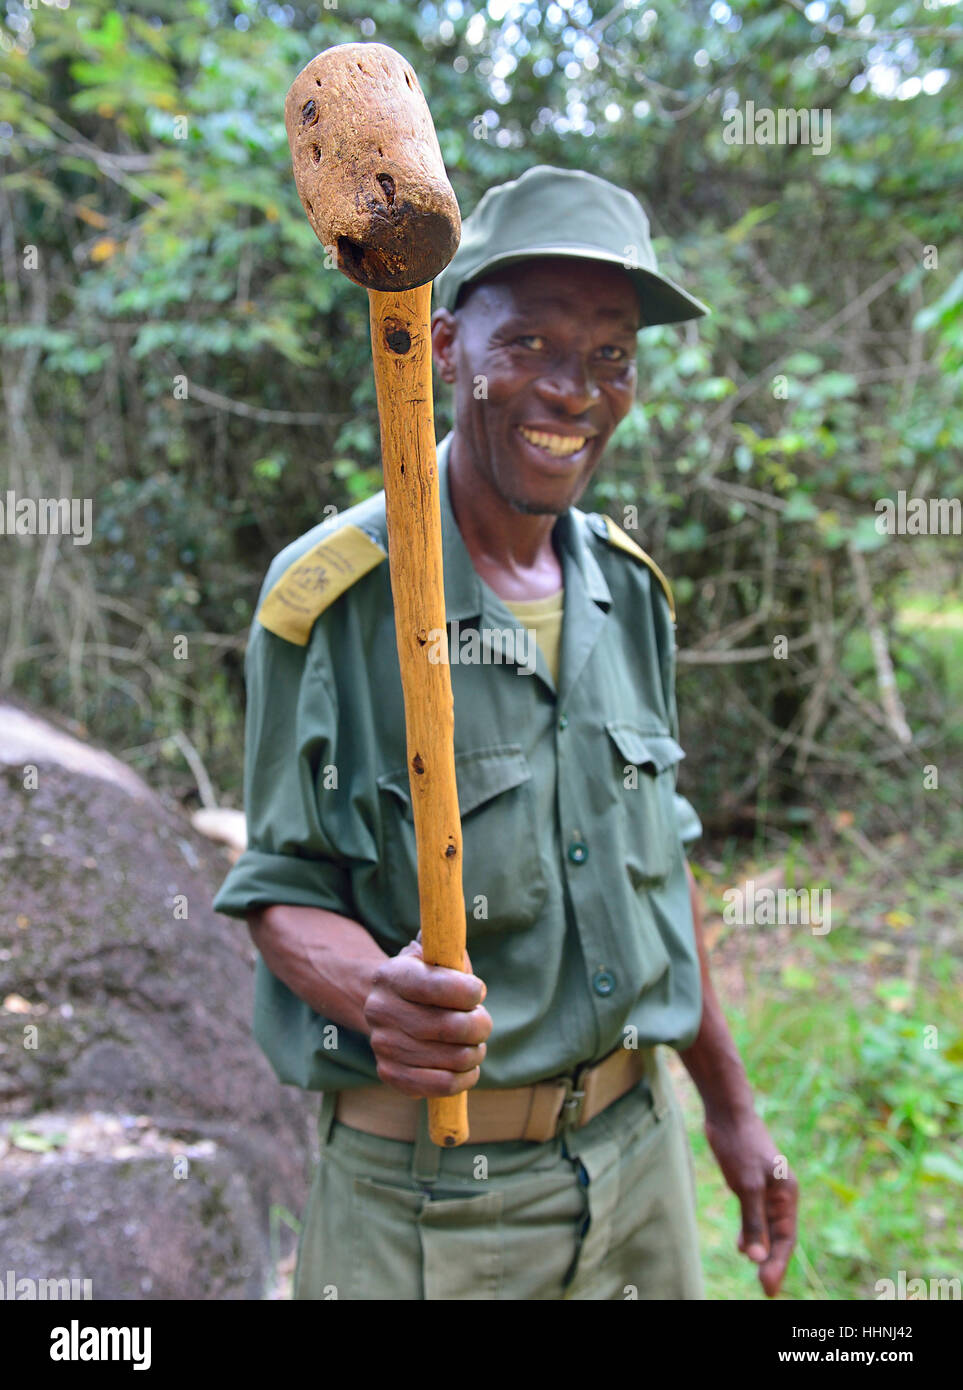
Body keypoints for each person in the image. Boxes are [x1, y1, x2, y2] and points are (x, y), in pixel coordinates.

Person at [213, 164, 798, 1301]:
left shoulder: (631, 596)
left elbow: (659, 866)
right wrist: (372, 988)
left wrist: (730, 1108)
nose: (572, 390)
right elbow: (277, 890)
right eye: (527, 343)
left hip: (639, 1166)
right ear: (442, 348)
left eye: (610, 354)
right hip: (428, 1203)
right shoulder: (333, 601)